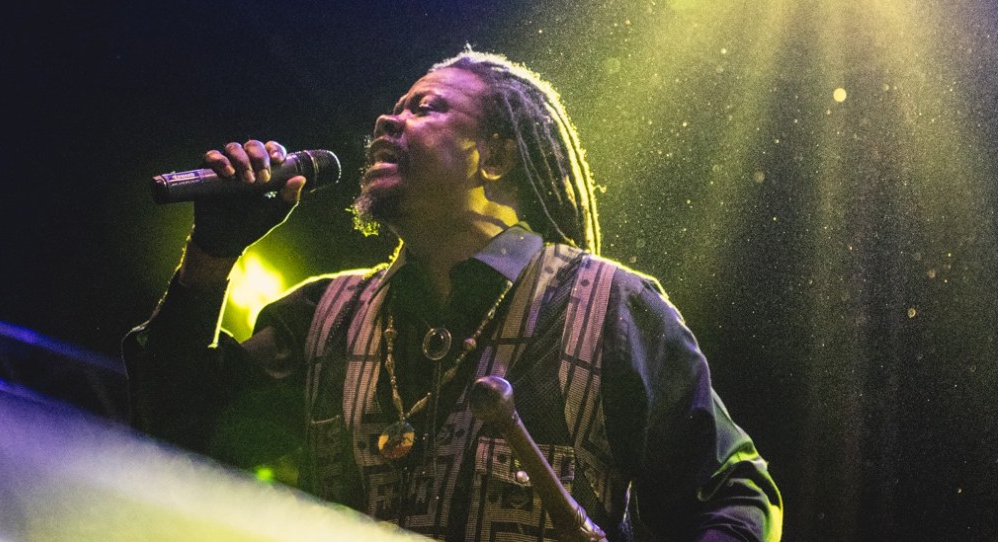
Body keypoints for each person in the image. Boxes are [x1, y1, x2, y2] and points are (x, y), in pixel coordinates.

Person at [123, 50, 783, 541]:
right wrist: (211, 256)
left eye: (425, 108)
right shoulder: (323, 316)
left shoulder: (612, 307)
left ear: (495, 157)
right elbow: (180, 433)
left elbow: (733, 495)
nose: (388, 119)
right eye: (396, 106)